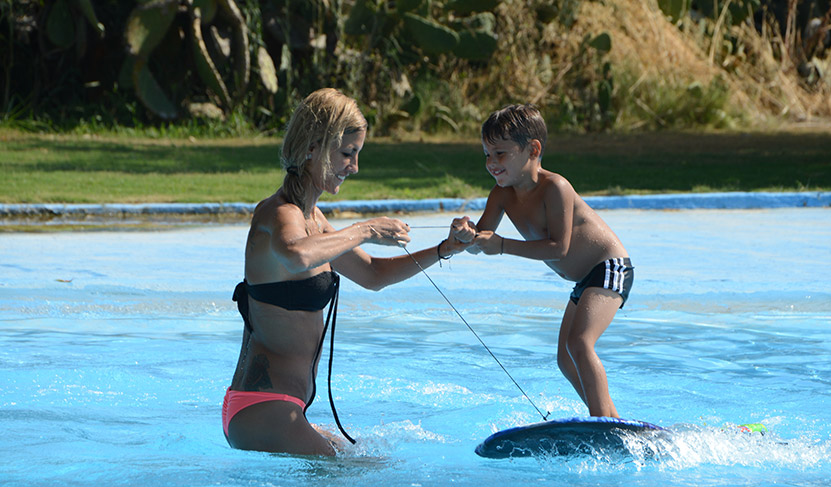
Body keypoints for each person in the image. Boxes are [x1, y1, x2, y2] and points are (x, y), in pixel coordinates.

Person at [223, 88, 470, 456]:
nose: (353, 167)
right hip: (263, 407)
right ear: (312, 148)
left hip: (284, 408)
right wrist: (366, 229)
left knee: (370, 460)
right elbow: (294, 256)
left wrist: (443, 250)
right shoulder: (278, 214)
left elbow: (372, 275)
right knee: (358, 476)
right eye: (347, 153)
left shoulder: (314, 219)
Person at [450, 104, 632, 418]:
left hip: (608, 267)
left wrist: (502, 245)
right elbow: (484, 239)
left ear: (532, 150)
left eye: (501, 154)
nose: (492, 163)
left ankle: (603, 421)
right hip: (584, 279)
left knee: (579, 343)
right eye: (487, 155)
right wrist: (466, 235)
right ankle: (610, 417)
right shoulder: (501, 194)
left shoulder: (555, 187)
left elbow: (559, 248)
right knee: (565, 358)